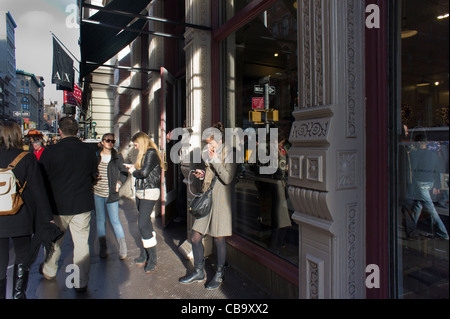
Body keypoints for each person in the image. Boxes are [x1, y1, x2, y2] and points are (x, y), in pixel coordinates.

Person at [0, 121, 62, 299]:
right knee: (22, 258)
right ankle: (19, 294)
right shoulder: (26, 158)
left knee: (1, 262)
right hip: (21, 216)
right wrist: (47, 218)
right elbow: (38, 191)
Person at [39, 116, 99, 292]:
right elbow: (93, 174)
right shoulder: (88, 151)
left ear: (60, 131)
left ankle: (49, 272)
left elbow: (41, 179)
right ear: (77, 131)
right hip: (82, 204)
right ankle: (80, 282)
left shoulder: (50, 151)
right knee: (81, 244)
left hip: (57, 206)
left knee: (54, 242)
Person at [179, 122, 237, 290]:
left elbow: (227, 178)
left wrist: (215, 160)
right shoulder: (210, 153)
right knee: (195, 237)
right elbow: (211, 175)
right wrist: (202, 174)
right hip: (207, 198)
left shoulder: (230, 153)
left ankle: (219, 273)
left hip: (220, 201)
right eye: (207, 143)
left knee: (219, 239)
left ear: (219, 140)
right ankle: (199, 271)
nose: (208, 146)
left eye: (211, 143)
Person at [125, 132, 162, 273]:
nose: (135, 148)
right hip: (141, 192)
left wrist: (133, 170)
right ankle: (146, 254)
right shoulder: (146, 153)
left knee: (142, 223)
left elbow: (144, 173)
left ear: (141, 142)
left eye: (136, 145)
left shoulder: (151, 152)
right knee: (145, 223)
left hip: (149, 193)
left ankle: (153, 258)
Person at [405, 134, 449, 240]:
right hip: (429, 183)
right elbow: (437, 170)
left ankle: (443, 234)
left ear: (419, 142)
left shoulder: (414, 154)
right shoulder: (432, 154)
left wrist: (409, 185)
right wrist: (437, 185)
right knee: (418, 206)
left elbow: (412, 171)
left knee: (431, 209)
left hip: (420, 184)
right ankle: (411, 230)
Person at [94, 133, 129, 259]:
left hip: (112, 194)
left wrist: (119, 183)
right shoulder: (96, 155)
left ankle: (123, 248)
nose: (110, 143)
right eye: (107, 140)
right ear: (102, 142)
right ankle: (103, 248)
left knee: (115, 221)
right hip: (97, 193)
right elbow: (89, 170)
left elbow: (125, 172)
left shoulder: (117, 157)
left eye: (112, 141)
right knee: (100, 221)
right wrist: (93, 177)